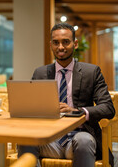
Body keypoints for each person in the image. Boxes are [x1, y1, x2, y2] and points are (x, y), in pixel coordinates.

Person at [18, 23, 115, 167]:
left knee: (84, 140)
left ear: (75, 44)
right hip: (49, 139)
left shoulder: (91, 72)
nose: (60, 47)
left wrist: (76, 111)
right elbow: (33, 108)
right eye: (56, 43)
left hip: (79, 136)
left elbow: (108, 108)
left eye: (65, 42)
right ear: (51, 45)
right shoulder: (40, 73)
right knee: (26, 139)